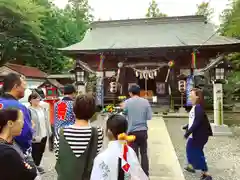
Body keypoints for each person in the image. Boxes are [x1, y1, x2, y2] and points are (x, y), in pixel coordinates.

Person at [55, 94, 104, 180]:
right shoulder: (98, 132)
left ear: (73, 110)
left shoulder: (61, 132)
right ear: (93, 112)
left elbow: (58, 157)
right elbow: (95, 154)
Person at [90, 114, 148, 180]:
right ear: (125, 132)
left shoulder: (101, 158)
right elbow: (139, 175)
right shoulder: (130, 153)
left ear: (108, 132)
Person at [182, 88, 213, 180]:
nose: (190, 97)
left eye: (191, 95)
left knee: (191, 151)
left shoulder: (198, 108)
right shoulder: (195, 107)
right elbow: (193, 120)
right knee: (198, 152)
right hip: (197, 134)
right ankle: (205, 173)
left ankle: (206, 173)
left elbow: (197, 122)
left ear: (197, 96)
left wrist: (188, 132)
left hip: (199, 135)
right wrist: (187, 126)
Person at [0, 73, 33, 155]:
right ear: (16, 87)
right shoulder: (19, 107)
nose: (25, 88)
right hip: (12, 151)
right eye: (23, 86)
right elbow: (25, 134)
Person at [122, 84, 152, 176]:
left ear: (130, 93)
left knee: (133, 155)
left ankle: (135, 174)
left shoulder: (127, 102)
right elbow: (149, 117)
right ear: (139, 92)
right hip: (143, 131)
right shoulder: (146, 102)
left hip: (131, 131)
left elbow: (123, 115)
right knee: (144, 153)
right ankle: (145, 174)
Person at [0, 108, 37, 180]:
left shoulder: (14, 141)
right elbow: (29, 174)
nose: (23, 123)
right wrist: (29, 165)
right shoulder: (6, 153)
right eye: (22, 120)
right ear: (10, 123)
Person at [28, 92, 52, 174]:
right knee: (35, 152)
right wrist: (32, 134)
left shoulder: (42, 108)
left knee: (41, 151)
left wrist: (49, 131)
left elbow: (47, 121)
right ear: (30, 100)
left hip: (44, 133)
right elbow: (29, 124)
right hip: (36, 135)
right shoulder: (29, 110)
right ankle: (35, 167)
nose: (37, 100)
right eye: (35, 98)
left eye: (38, 98)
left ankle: (37, 165)